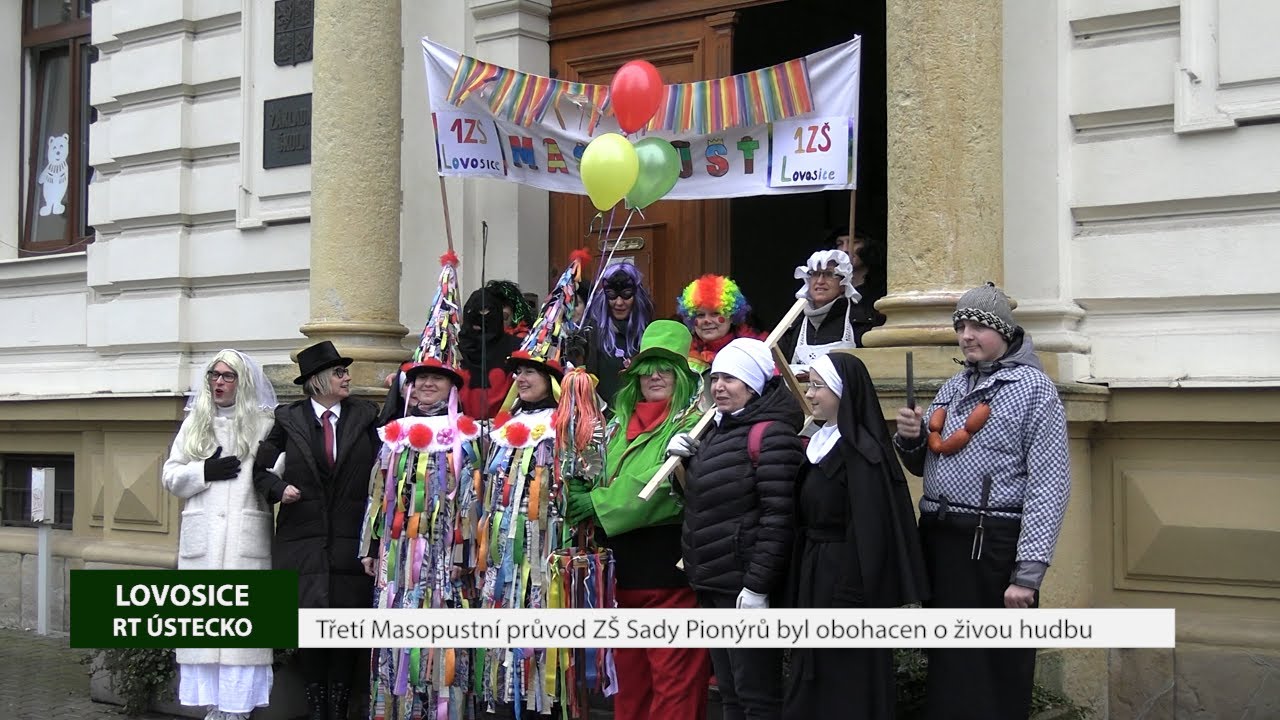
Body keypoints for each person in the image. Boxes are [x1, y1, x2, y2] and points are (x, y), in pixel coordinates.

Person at [892, 282, 1070, 720]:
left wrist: (1027, 575)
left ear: (1004, 332)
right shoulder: (953, 385)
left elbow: (1050, 483)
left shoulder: (1035, 390)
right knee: (950, 663)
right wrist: (909, 439)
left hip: (991, 545)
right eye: (961, 326)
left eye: (977, 326)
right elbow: (925, 465)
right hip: (942, 542)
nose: (967, 335)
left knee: (993, 664)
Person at [564, 320, 712, 720]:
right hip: (620, 579)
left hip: (670, 578)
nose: (655, 375)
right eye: (648, 367)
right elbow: (595, 471)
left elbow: (662, 487)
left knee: (675, 689)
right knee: (630, 687)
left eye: (666, 366)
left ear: (684, 374)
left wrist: (597, 503)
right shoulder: (614, 424)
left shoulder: (695, 424)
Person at [361, 252, 484, 718]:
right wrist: (371, 547)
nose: (428, 385)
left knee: (443, 643)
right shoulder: (392, 437)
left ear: (451, 388)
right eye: (421, 379)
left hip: (444, 562)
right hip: (397, 560)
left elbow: (475, 503)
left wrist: (462, 554)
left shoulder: (467, 438)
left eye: (437, 379)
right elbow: (378, 498)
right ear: (407, 388)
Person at [476, 251, 594, 714]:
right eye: (518, 371)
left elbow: (585, 479)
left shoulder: (571, 426)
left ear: (551, 377)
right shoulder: (502, 428)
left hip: (549, 549)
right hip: (506, 554)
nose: (522, 377)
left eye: (530, 371)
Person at [782, 353, 929, 720]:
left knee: (845, 684)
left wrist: (849, 594)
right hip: (815, 573)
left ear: (844, 393)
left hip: (845, 587)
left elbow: (871, 532)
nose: (811, 395)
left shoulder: (861, 453)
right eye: (809, 385)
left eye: (819, 386)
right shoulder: (821, 443)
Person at [667, 338, 805, 720]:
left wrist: (758, 586)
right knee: (730, 693)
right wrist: (683, 468)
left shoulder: (772, 436)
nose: (718, 387)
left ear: (753, 384)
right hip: (713, 580)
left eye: (730, 378)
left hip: (742, 585)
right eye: (715, 378)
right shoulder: (717, 430)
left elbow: (779, 518)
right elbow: (707, 499)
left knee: (756, 695)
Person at [253, 340, 381, 720]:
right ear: (318, 381)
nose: (347, 378)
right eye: (340, 372)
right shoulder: (288, 419)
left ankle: (339, 710)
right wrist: (279, 489)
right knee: (308, 631)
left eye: (346, 372)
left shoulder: (365, 415)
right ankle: (316, 708)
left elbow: (385, 466)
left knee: (345, 630)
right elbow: (259, 470)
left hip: (350, 539)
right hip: (302, 541)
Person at [162, 350, 278, 720]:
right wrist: (203, 472)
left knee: (243, 636)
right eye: (215, 375)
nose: (220, 382)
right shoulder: (195, 424)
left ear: (242, 383)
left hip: (246, 541)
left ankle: (238, 709)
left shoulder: (264, 424)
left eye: (229, 376)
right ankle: (215, 707)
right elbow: (170, 477)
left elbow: (279, 473)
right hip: (205, 544)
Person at [580, 263, 654, 408]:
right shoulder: (591, 333)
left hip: (641, 417)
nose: (619, 303)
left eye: (626, 295)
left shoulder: (649, 333)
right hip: (603, 418)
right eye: (612, 295)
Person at [777, 249, 861, 371]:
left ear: (843, 283)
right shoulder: (793, 325)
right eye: (815, 274)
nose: (820, 281)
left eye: (829, 274)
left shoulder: (859, 321)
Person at [675, 274, 765, 373]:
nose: (707, 320)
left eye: (715, 314)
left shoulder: (752, 352)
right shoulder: (683, 355)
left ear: (731, 316)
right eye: (700, 315)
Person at [458, 284, 522, 419]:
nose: (478, 319)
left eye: (485, 313)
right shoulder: (454, 349)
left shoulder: (518, 348)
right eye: (472, 313)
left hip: (508, 426)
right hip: (462, 430)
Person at [828, 227, 887, 343]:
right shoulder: (829, 287)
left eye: (854, 243)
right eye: (840, 243)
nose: (845, 249)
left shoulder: (882, 288)